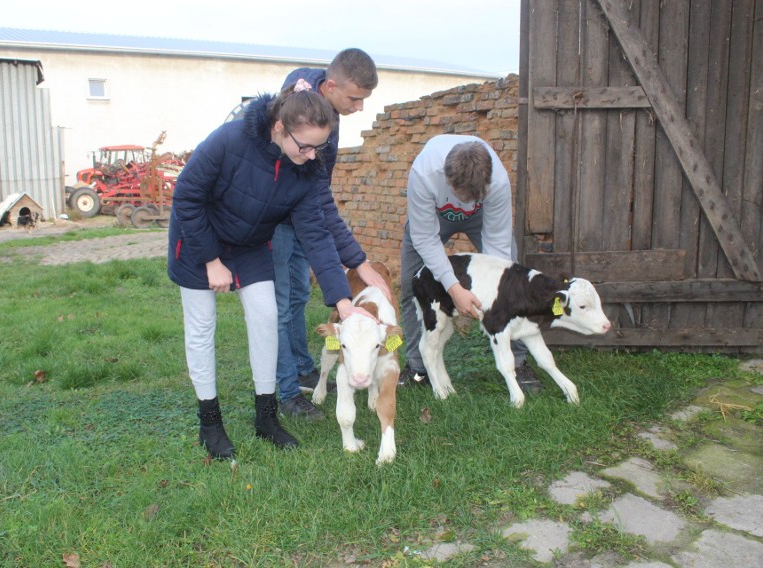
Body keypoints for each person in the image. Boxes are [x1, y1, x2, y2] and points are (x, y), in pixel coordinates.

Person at [167, 84, 375, 461]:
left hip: (249, 245)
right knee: (201, 327)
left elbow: (316, 234)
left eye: (320, 148)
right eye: (305, 146)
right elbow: (186, 195)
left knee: (266, 317)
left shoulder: (308, 169)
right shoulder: (229, 141)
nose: (312, 155)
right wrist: (211, 260)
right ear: (279, 128)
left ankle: (266, 417)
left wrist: (344, 303)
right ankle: (210, 423)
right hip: (197, 241)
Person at [272, 48, 390, 420]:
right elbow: (315, 192)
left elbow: (319, 193)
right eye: (354, 98)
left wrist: (357, 261)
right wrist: (355, 261)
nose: (358, 108)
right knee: (279, 304)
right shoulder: (297, 105)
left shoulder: (328, 112)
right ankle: (287, 390)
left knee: (299, 295)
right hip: (274, 219)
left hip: (302, 214)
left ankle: (303, 367)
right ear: (331, 85)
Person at [398, 134, 543, 394]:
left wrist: (492, 297)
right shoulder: (424, 173)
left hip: (481, 217)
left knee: (513, 283)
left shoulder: (497, 181)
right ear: (447, 178)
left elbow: (498, 255)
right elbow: (425, 238)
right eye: (461, 195)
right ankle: (418, 367)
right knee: (412, 285)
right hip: (433, 217)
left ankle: (518, 362)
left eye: (473, 197)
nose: (465, 203)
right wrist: (455, 289)